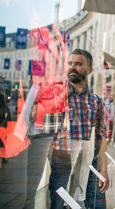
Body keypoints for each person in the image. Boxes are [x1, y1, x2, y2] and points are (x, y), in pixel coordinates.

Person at [42, 49, 109, 208]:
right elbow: (45, 134)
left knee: (81, 200)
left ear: (89, 70)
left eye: (78, 64)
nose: (72, 67)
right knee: (57, 203)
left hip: (87, 163)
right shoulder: (57, 94)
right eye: (70, 63)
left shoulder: (95, 100)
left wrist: (104, 169)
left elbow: (101, 135)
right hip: (61, 161)